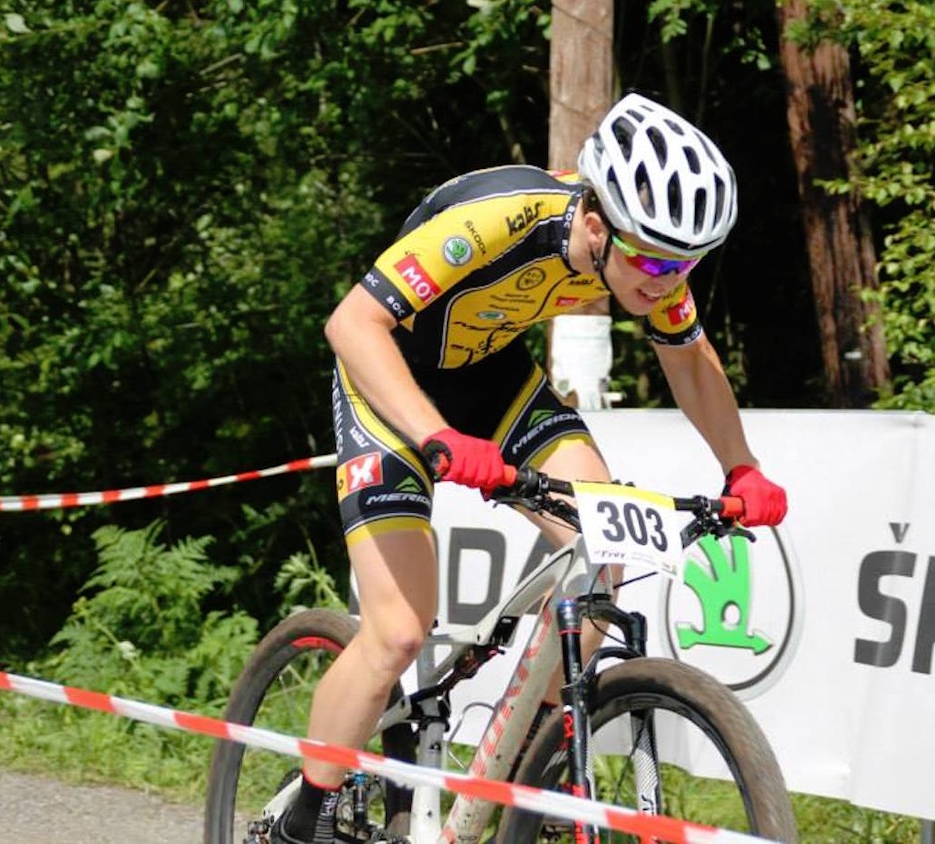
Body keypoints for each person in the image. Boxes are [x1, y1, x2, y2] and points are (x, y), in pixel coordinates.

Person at [274, 92, 788, 844]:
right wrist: (437, 435)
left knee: (602, 544)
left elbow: (690, 359)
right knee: (398, 632)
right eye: (649, 256)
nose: (664, 278)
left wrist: (742, 468)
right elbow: (350, 324)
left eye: (686, 262)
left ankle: (541, 767)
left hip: (490, 381)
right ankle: (302, 819)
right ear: (592, 224)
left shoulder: (650, 267)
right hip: (388, 382)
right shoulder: (500, 218)